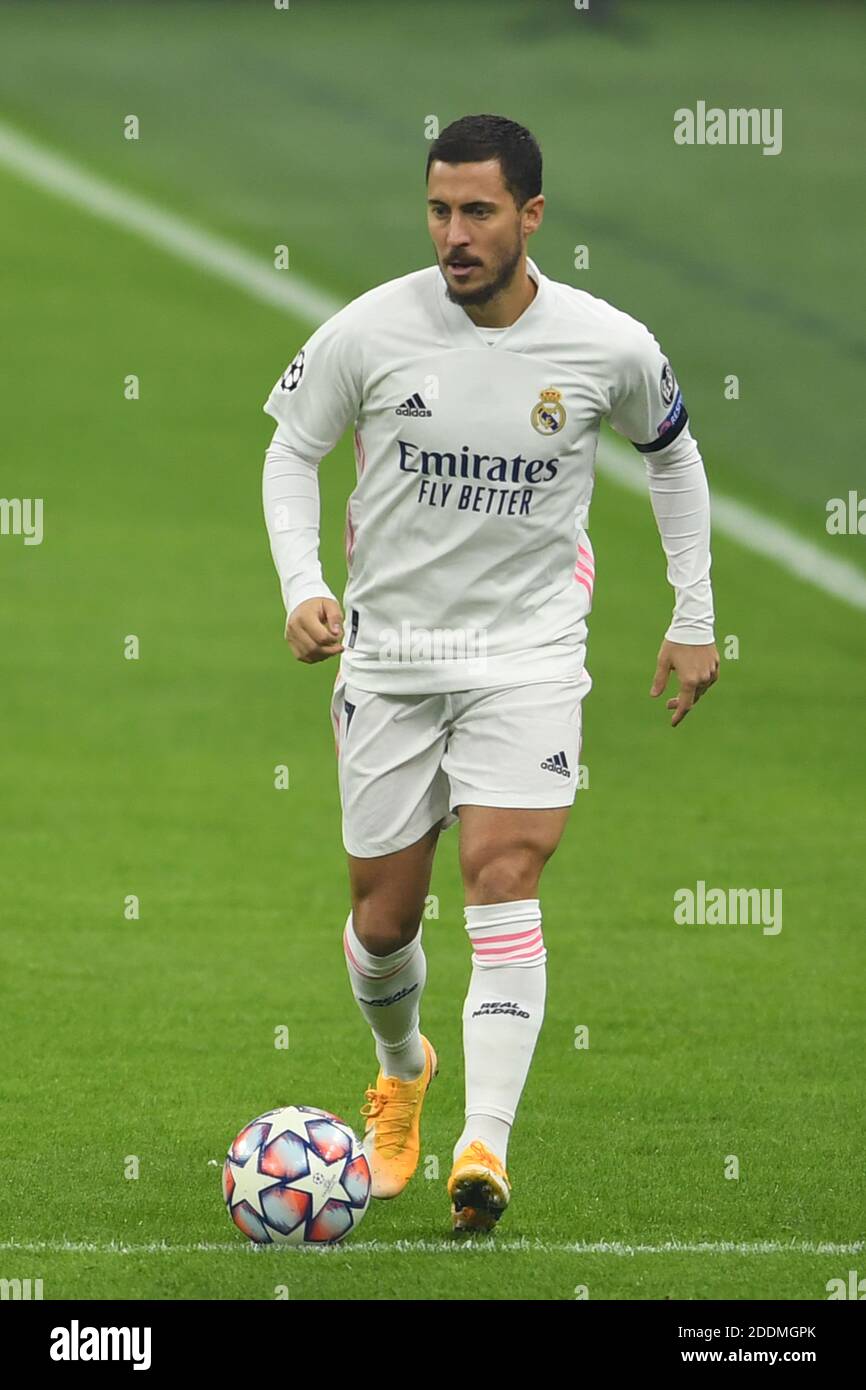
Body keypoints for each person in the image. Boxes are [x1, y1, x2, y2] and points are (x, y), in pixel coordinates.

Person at [262, 113, 718, 1234]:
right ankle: (402, 1068)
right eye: (437, 210)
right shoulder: (371, 330)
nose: (452, 235)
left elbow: (671, 453)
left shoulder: (604, 343)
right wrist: (300, 585)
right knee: (382, 920)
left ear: (530, 216)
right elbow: (291, 449)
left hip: (527, 655)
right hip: (393, 658)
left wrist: (692, 611)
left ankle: (484, 1147)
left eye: (475, 212)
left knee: (503, 869)